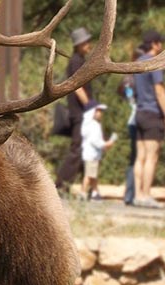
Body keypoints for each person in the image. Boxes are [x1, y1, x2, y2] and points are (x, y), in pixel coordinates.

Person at [133, 30, 165, 208]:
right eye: (160, 43)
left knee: (140, 157)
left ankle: (137, 195)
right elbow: (159, 90)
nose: (162, 46)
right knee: (152, 157)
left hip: (139, 113)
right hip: (152, 114)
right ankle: (146, 195)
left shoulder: (138, 63)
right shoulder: (155, 63)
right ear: (155, 44)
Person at [55, 27, 94, 192]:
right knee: (77, 149)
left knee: (86, 149)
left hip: (81, 112)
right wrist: (90, 106)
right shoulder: (76, 61)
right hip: (79, 113)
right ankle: (60, 185)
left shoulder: (80, 60)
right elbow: (77, 87)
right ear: (78, 45)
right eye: (84, 42)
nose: (88, 44)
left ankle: (88, 187)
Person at [122, 46, 145, 205]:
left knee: (136, 157)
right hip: (138, 118)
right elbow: (131, 98)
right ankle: (132, 194)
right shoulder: (134, 77)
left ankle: (131, 194)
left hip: (134, 118)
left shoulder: (129, 78)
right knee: (137, 157)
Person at [81, 100, 116, 201]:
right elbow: (95, 141)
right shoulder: (94, 125)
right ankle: (83, 193)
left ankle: (95, 193)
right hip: (92, 155)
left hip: (90, 154)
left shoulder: (87, 125)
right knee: (89, 175)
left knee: (92, 175)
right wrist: (107, 144)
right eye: (98, 110)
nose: (100, 113)